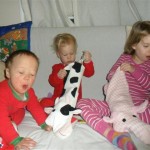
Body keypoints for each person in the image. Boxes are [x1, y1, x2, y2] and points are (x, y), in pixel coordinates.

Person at [77, 20, 150, 150]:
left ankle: (136, 128)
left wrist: (134, 70)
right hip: (114, 108)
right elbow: (110, 74)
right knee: (82, 104)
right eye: (146, 46)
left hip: (139, 109)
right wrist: (116, 75)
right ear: (134, 45)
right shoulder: (125, 57)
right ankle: (108, 131)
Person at [0, 50, 52, 150]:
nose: (27, 78)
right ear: (8, 73)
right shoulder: (2, 93)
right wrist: (15, 139)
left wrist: (44, 123)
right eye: (21, 72)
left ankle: (10, 123)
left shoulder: (29, 92)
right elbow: (1, 118)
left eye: (32, 74)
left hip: (12, 111)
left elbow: (35, 107)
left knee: (21, 112)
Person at [40, 33, 95, 108]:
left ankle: (72, 111)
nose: (69, 57)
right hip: (58, 99)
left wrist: (87, 62)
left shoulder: (78, 66)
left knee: (84, 105)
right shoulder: (57, 67)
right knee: (44, 102)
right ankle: (56, 108)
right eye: (65, 55)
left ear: (75, 52)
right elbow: (52, 81)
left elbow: (89, 73)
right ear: (58, 54)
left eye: (71, 53)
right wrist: (58, 76)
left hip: (75, 100)